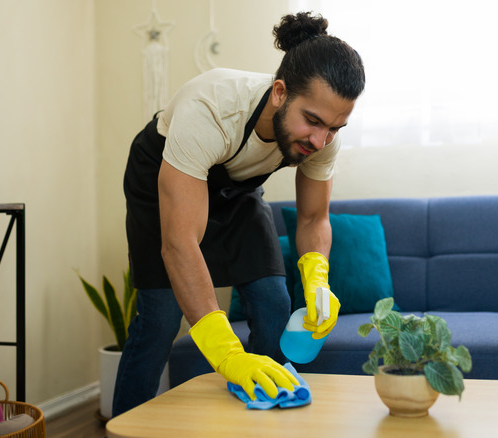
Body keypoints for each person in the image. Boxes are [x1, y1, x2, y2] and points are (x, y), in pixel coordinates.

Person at [113, 11, 365, 416]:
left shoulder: (323, 138)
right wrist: (228, 355)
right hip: (163, 170)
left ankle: (260, 416)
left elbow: (313, 219)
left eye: (335, 127)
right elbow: (180, 244)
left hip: (237, 186)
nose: (320, 140)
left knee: (272, 303)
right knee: (160, 320)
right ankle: (121, 427)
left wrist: (318, 279)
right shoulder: (212, 109)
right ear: (280, 92)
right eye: (313, 121)